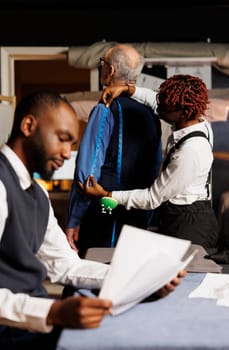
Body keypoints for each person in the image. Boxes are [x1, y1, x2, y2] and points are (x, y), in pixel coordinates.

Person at [0, 90, 185, 350]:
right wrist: (51, 312)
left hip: (31, 324)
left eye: (72, 144)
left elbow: (65, 265)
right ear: (29, 125)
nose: (67, 154)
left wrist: (140, 279)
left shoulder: (37, 192)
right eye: (63, 139)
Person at [79, 74, 219, 249]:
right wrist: (127, 89)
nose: (159, 109)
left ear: (182, 112)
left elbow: (152, 198)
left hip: (189, 224)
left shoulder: (191, 151)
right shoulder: (196, 120)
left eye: (165, 108)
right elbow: (156, 101)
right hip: (178, 215)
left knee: (184, 275)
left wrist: (106, 195)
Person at [66, 44, 162, 256]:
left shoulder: (105, 108)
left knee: (96, 276)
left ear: (110, 71)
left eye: (103, 64)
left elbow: (87, 174)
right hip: (139, 213)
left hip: (104, 210)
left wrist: (74, 219)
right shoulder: (151, 114)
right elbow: (155, 170)